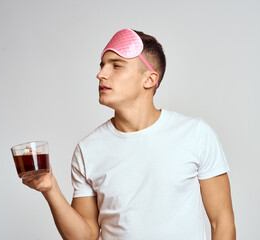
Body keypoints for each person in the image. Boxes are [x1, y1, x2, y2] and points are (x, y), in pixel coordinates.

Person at [22, 28, 236, 240]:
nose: (101, 74)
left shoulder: (196, 134)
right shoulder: (88, 150)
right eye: (102, 65)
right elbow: (85, 237)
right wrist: (50, 189)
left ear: (150, 79)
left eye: (116, 66)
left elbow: (222, 224)